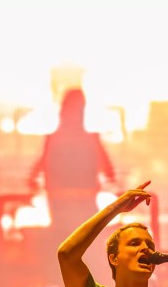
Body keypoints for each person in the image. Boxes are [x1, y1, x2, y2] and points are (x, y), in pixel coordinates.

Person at [30, 89, 116, 235]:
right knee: (86, 237)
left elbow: (36, 173)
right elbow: (109, 172)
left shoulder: (53, 140)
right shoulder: (92, 141)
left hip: (60, 202)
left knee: (65, 237)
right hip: (84, 201)